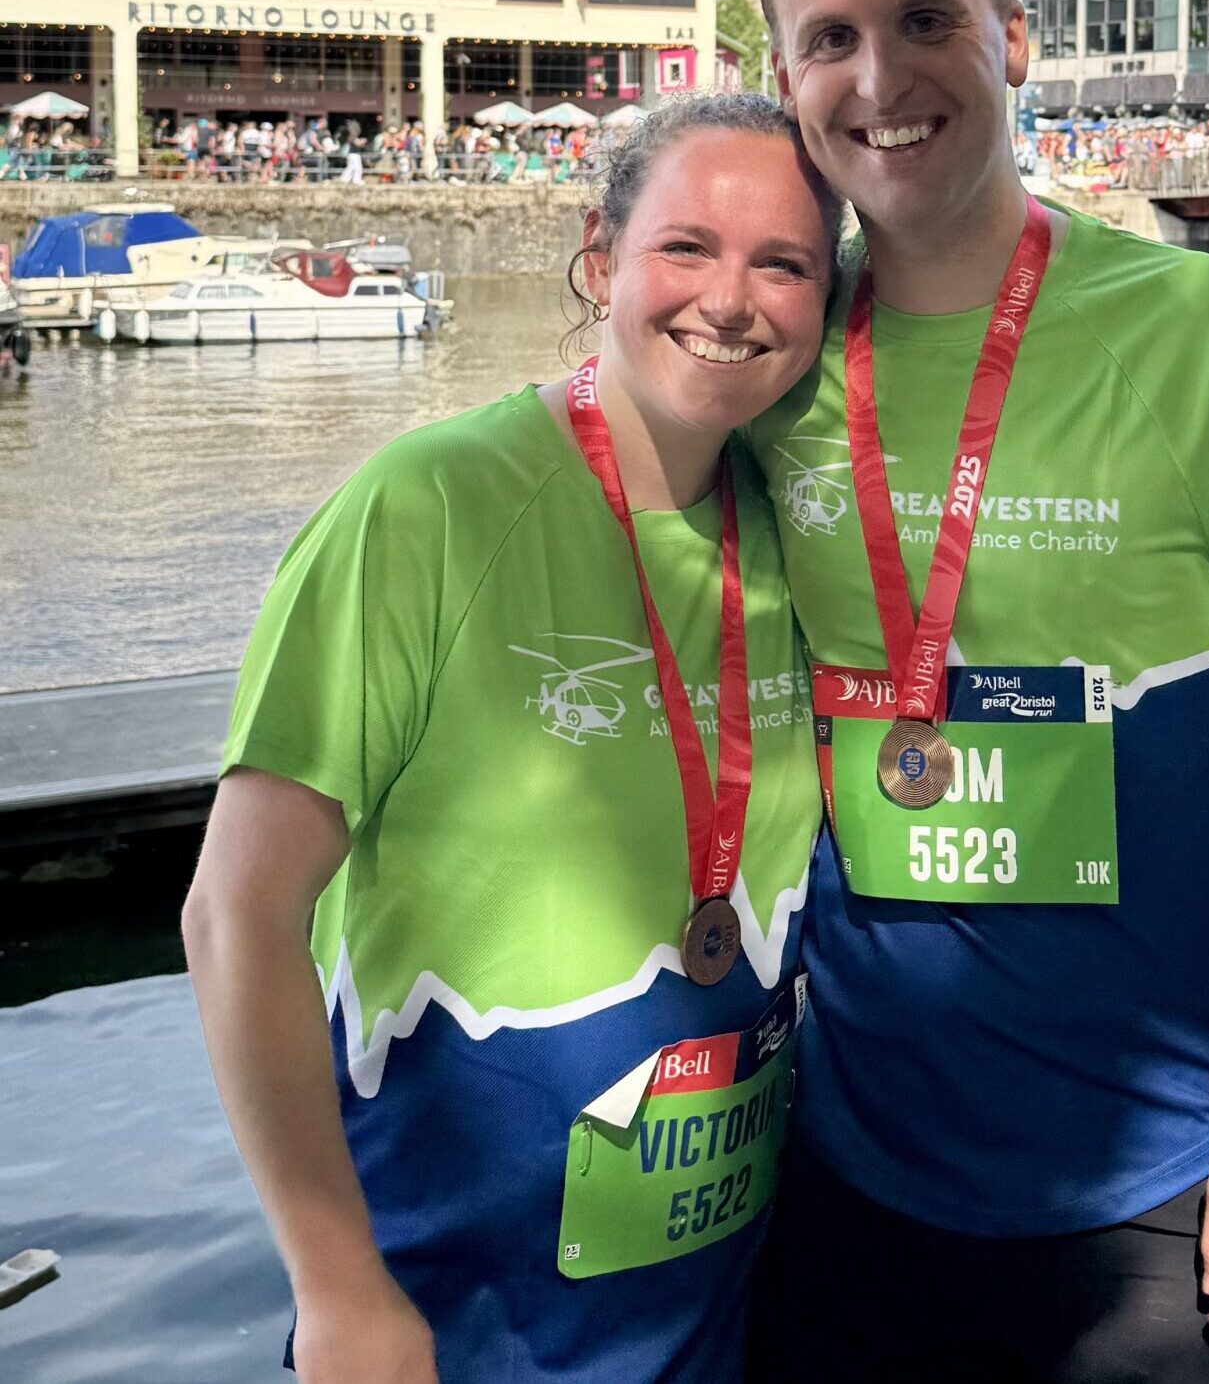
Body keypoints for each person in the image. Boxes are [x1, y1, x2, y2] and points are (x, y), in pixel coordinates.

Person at [743, 0, 1209, 1383]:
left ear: (1015, 36)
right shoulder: (768, 358)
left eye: (925, 20)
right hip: (842, 1179)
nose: (879, 77)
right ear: (782, 71)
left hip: (1165, 1193)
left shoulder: (1201, 332)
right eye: (829, 38)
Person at [181, 92, 843, 1384]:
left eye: (785, 263)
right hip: (446, 1327)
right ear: (601, 260)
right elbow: (234, 917)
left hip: (708, 1323)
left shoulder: (795, 541)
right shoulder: (423, 511)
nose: (732, 298)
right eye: (687, 248)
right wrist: (335, 1286)